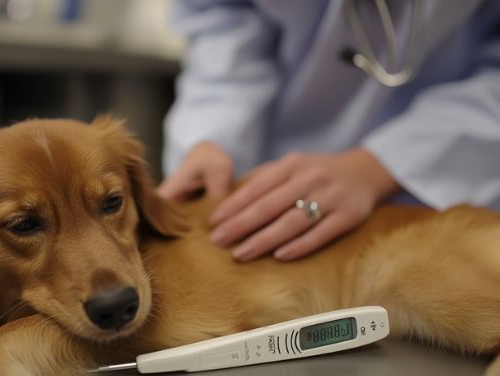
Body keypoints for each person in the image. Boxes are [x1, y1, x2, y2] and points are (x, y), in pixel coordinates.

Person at [157, 0, 500, 262]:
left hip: (445, 184)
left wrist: (377, 169)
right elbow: (223, 18)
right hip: (266, 189)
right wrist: (212, 135)